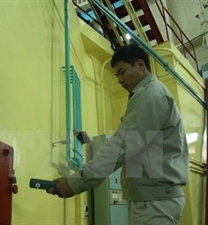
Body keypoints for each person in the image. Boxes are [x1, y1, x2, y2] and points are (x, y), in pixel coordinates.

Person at [47, 44, 189, 225]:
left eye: (122, 72)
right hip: (152, 199)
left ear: (140, 65)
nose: (119, 80)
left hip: (155, 202)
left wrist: (76, 183)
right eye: (116, 75)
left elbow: (122, 146)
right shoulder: (151, 94)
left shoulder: (149, 96)